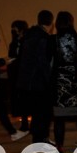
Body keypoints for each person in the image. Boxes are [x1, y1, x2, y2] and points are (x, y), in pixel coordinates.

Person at [52, 11, 77, 153]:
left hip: (59, 82)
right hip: (75, 81)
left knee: (59, 119)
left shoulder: (53, 39)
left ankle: (59, 147)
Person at [17, 10, 55, 144]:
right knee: (44, 112)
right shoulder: (43, 38)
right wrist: (49, 79)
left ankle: (37, 137)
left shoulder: (28, 36)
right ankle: (42, 138)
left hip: (27, 80)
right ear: (51, 23)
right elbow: (43, 62)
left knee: (36, 111)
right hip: (39, 80)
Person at [7, 20, 30, 132]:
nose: (13, 31)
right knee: (19, 100)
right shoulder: (14, 43)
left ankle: (27, 122)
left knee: (26, 100)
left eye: (15, 28)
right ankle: (24, 121)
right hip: (15, 74)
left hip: (25, 74)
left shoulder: (28, 41)